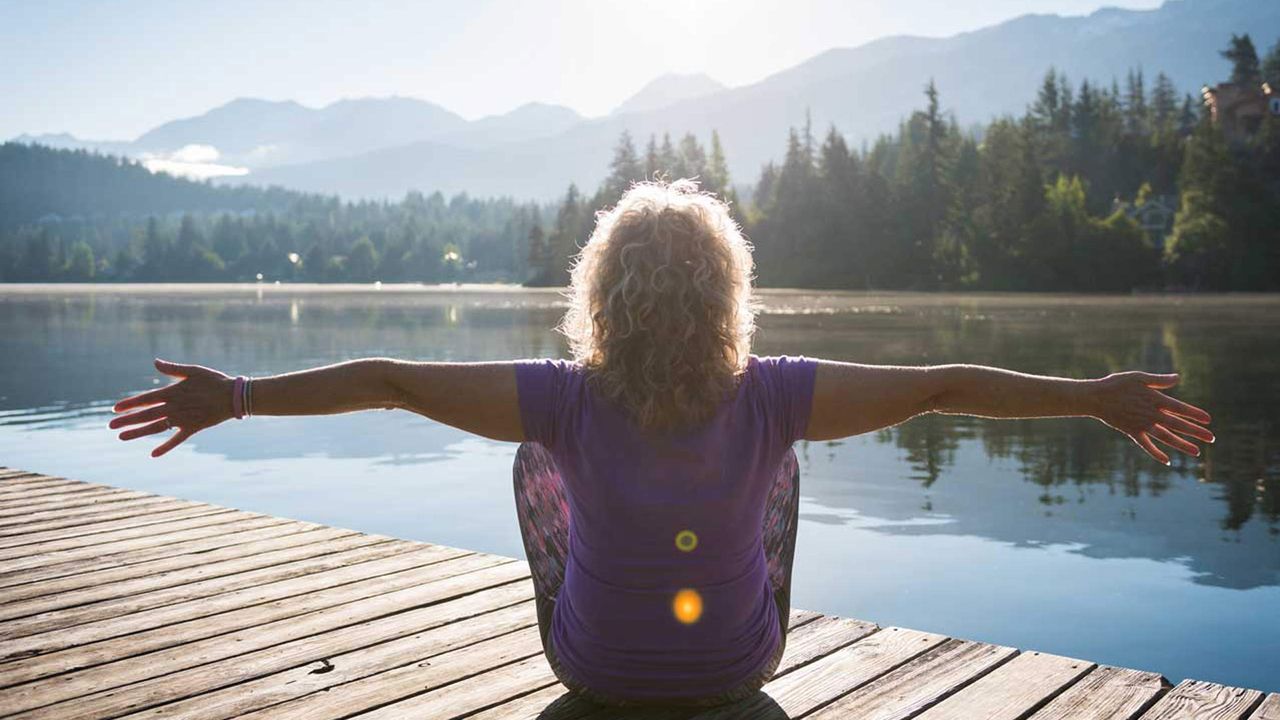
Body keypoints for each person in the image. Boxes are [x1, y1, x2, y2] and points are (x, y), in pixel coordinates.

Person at [108, 178, 1213, 708]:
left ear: (601, 296)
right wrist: (1093, 396)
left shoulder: (562, 397)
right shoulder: (774, 393)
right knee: (774, 471)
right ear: (728, 292)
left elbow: (391, 380)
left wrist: (240, 395)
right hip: (738, 667)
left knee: (534, 457)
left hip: (589, 672)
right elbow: (935, 388)